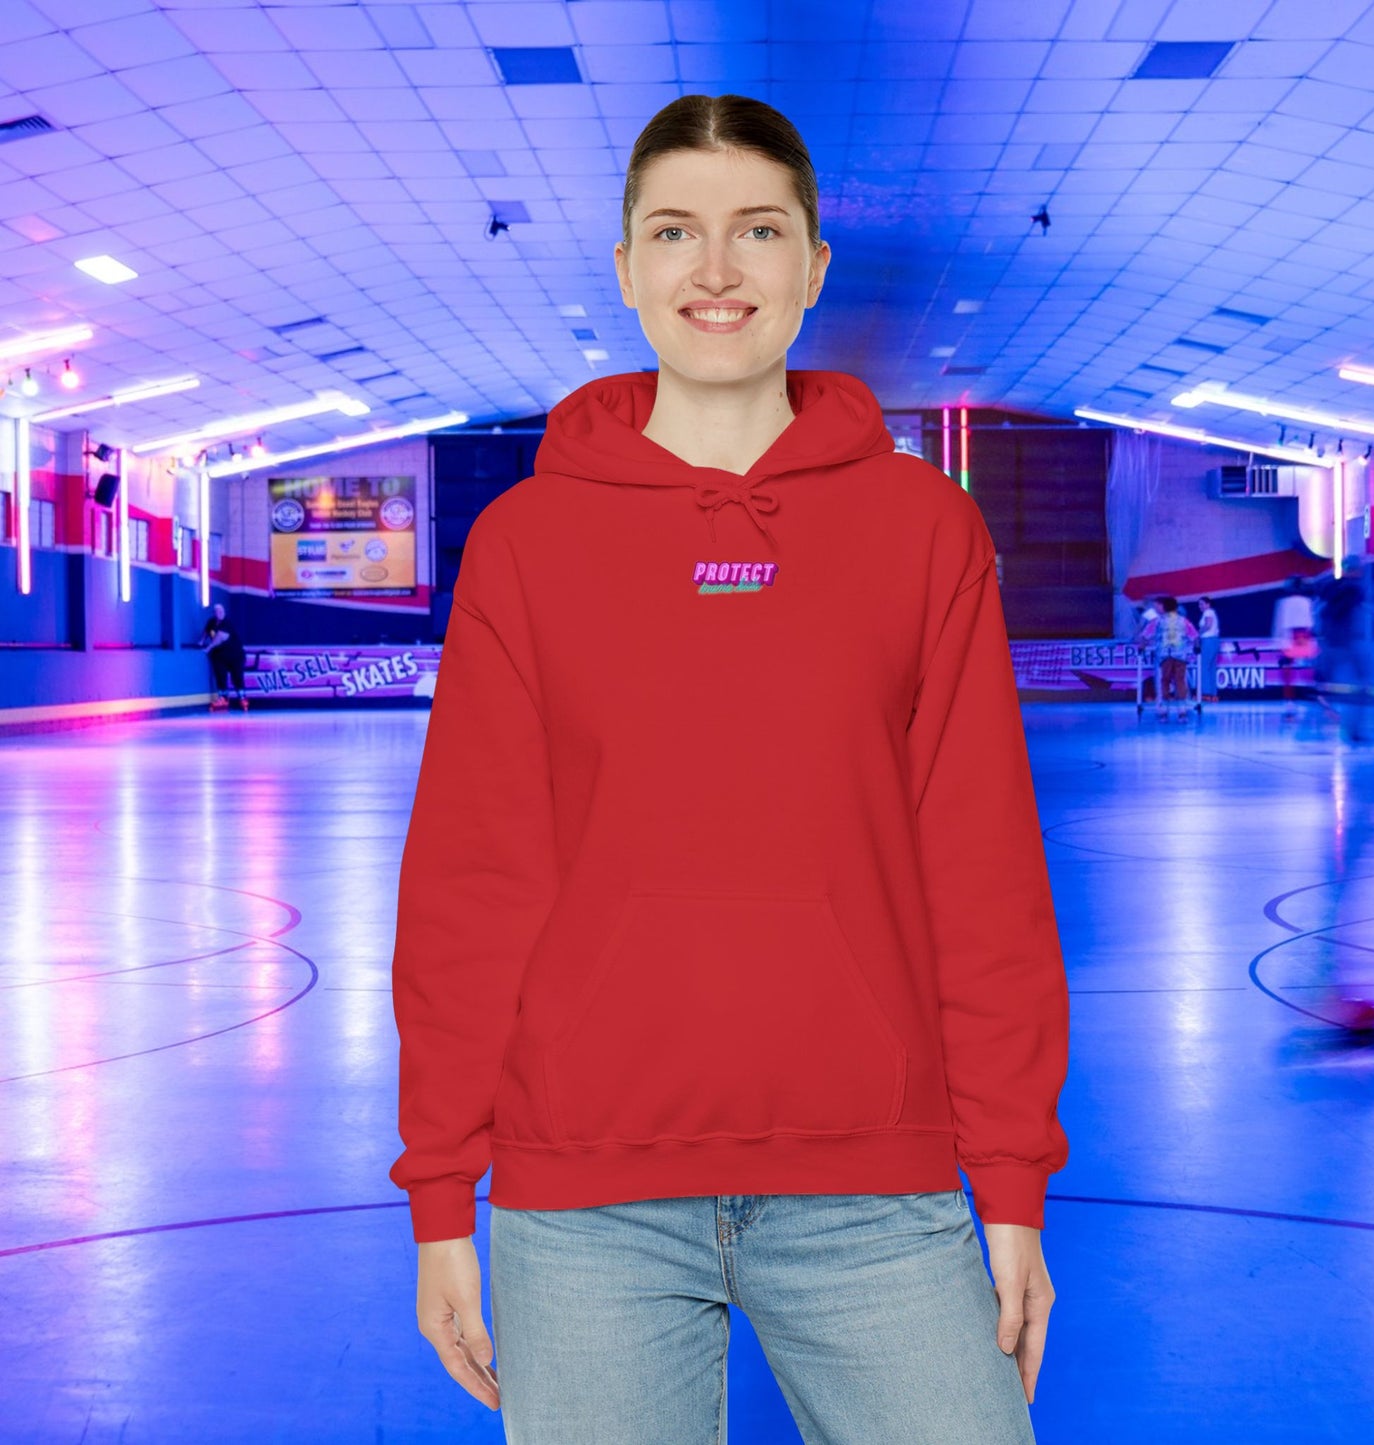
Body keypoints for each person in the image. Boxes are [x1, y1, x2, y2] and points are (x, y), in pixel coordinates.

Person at [388, 94, 1069, 1443]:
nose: (715, 269)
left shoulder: (922, 529)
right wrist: (439, 1194)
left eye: (757, 230)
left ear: (813, 267)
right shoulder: (526, 544)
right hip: (583, 1198)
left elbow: (979, 870)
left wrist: (1008, 1184)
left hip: (876, 1186)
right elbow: (472, 879)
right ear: (628, 267)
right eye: (674, 232)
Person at [1315, 556, 1371, 743]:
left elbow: (1320, 610)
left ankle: (1325, 706)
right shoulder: (1355, 589)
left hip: (1329, 643)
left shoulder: (1329, 586)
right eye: (1359, 568)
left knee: (1325, 682)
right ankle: (1354, 730)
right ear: (1354, 570)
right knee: (1363, 683)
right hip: (1346, 643)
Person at [1139, 596, 1198, 721]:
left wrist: (1142, 647)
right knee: (1180, 682)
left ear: (1164, 607)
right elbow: (1195, 636)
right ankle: (1182, 712)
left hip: (1164, 657)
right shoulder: (1184, 621)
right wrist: (1196, 648)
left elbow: (1145, 636)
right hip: (1180, 656)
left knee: (1164, 682)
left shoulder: (1157, 621)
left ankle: (1164, 713)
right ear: (1176, 607)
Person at [1271, 576, 1319, 720]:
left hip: (1292, 639)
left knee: (1288, 673)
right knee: (1307, 670)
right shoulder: (1306, 602)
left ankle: (1290, 701)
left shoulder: (1285, 603)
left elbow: (1279, 624)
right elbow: (1312, 623)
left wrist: (1277, 642)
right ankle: (1311, 696)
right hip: (1301, 638)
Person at [198, 602, 247, 712]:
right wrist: (201, 642)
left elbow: (219, 637)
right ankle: (223, 698)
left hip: (235, 654)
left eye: (221, 611)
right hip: (220, 655)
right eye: (216, 611)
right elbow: (206, 631)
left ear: (224, 612)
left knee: (237, 676)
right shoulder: (211, 622)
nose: (219, 613)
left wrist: (209, 647)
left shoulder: (227, 623)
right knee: (220, 676)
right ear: (214, 613)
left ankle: (242, 698)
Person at [1196, 595, 1221, 702]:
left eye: (1202, 604)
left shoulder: (1208, 612)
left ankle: (1205, 693)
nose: (1199, 606)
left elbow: (1208, 625)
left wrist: (1197, 634)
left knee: (1205, 667)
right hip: (1214, 641)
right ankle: (1213, 694)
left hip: (1208, 641)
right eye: (1199, 604)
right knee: (1211, 668)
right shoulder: (1212, 612)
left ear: (1208, 604)